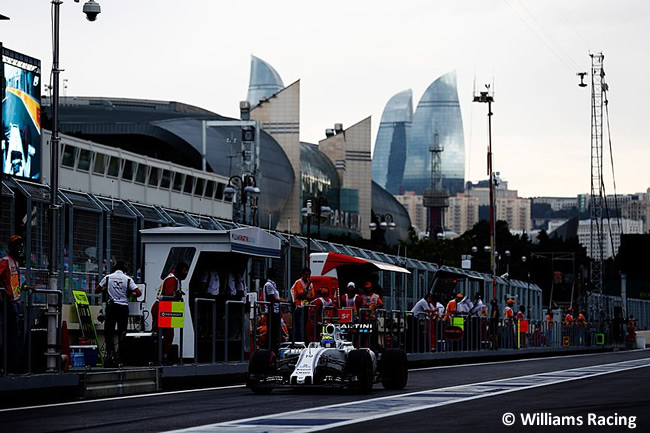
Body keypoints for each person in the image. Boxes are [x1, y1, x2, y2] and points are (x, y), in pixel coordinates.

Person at [94, 260, 141, 366]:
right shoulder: (128, 279)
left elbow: (96, 290)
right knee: (122, 332)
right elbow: (138, 293)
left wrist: (106, 289)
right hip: (123, 307)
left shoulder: (108, 277)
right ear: (124, 269)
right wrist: (129, 293)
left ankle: (111, 353)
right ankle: (121, 355)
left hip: (112, 307)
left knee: (108, 331)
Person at [0, 235, 32, 373]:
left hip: (16, 301)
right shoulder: (5, 262)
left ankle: (13, 365)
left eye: (20, 245)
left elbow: (16, 284)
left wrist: (26, 288)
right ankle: (7, 365)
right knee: (11, 335)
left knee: (16, 335)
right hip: (8, 303)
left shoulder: (16, 263)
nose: (19, 248)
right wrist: (6, 293)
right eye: (16, 245)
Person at [152, 262, 189, 364]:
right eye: (185, 270)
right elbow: (169, 294)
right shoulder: (172, 279)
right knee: (166, 334)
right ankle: (161, 356)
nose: (186, 273)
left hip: (164, 308)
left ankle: (162, 356)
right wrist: (177, 295)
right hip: (161, 308)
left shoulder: (174, 278)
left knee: (167, 334)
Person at [261, 268, 287, 353]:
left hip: (276, 311)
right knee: (272, 332)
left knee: (276, 331)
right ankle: (269, 350)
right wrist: (285, 301)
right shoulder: (268, 285)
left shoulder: (273, 285)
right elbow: (273, 298)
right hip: (271, 311)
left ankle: (274, 349)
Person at [290, 267, 313, 342]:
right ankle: (298, 341)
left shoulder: (310, 284)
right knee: (299, 327)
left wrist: (305, 295)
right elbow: (300, 296)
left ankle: (304, 341)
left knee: (305, 327)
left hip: (306, 308)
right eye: (306, 275)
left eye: (309, 275)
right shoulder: (298, 283)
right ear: (302, 274)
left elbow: (312, 296)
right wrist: (306, 293)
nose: (307, 276)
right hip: (298, 307)